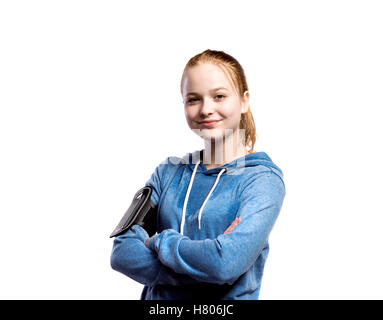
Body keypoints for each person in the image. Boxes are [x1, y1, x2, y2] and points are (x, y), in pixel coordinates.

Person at [110, 49, 286, 300]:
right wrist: (206, 269)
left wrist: (158, 242)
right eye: (193, 99)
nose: (206, 109)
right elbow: (122, 253)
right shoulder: (167, 172)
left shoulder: (261, 181)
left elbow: (225, 264)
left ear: (244, 101)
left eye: (219, 96)